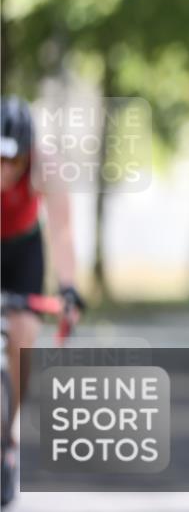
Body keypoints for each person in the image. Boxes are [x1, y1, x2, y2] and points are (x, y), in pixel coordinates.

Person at [1, 95, 84, 504]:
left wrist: (68, 288)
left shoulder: (45, 167)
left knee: (24, 330)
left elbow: (63, 233)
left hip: (22, 250)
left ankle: (7, 436)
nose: (3, 170)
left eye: (11, 162)